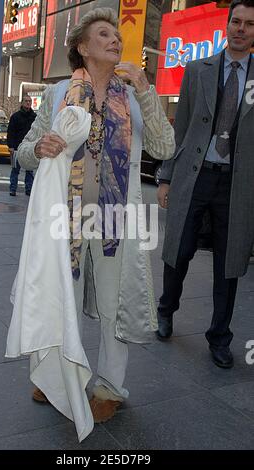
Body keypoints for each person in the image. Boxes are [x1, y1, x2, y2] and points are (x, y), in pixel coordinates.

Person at [5, 8, 175, 440]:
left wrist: (147, 90)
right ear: (82, 46)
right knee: (64, 295)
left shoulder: (135, 96)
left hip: (117, 218)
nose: (115, 40)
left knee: (115, 305)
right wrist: (40, 146)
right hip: (67, 216)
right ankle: (57, 375)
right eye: (104, 34)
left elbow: (165, 145)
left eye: (117, 35)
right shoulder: (60, 92)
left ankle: (110, 386)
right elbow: (25, 150)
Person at [157, 0, 254, 369]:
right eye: (235, 21)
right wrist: (166, 177)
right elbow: (179, 130)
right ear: (227, 25)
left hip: (236, 185)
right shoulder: (198, 70)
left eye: (248, 24)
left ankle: (220, 337)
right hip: (194, 176)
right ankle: (166, 310)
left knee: (229, 265)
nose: (240, 29)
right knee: (178, 251)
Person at [7, 95, 36, 196]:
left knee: (29, 170)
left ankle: (29, 189)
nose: (28, 103)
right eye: (26, 101)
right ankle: (13, 189)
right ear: (22, 102)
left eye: (30, 101)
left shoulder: (34, 117)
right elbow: (10, 132)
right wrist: (10, 146)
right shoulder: (15, 116)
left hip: (30, 148)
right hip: (16, 148)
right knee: (15, 170)